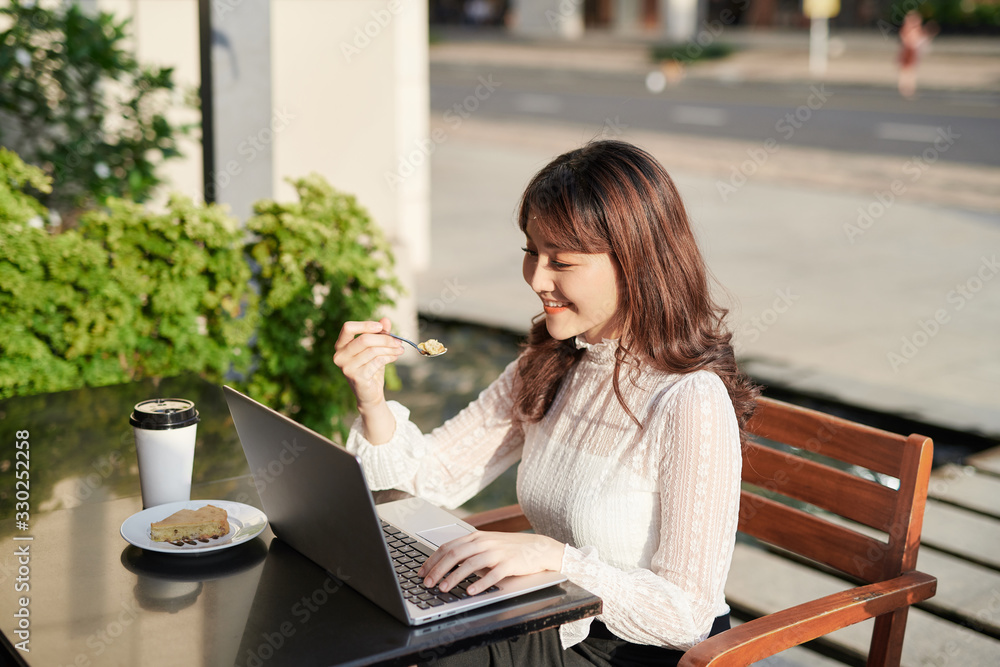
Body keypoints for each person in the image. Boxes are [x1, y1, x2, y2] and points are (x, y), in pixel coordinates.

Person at [333, 140, 759, 666]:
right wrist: (373, 399)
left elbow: (687, 614)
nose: (537, 279)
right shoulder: (553, 361)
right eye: (531, 252)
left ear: (636, 264)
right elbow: (432, 476)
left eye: (562, 261)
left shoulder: (688, 399)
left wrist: (553, 557)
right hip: (550, 619)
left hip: (633, 650)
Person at [897, 10, 938, 99]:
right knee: (906, 70)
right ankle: (905, 87)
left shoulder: (914, 29)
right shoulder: (908, 29)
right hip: (909, 51)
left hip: (913, 51)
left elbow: (920, 40)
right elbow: (909, 40)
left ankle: (909, 87)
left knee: (911, 70)